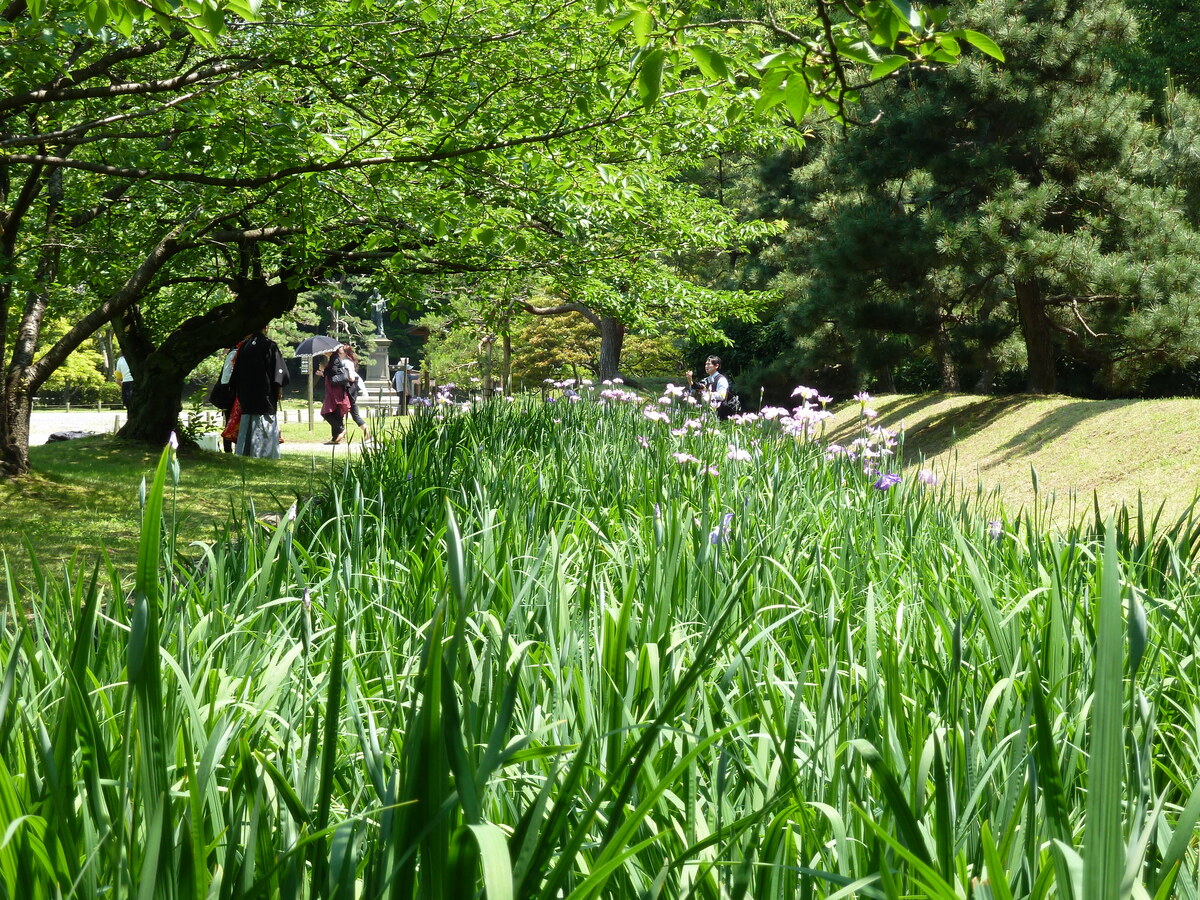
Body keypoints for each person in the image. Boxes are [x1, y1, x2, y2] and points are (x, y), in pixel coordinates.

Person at [229, 329, 290, 458]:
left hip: (246, 393)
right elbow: (278, 373)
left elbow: (236, 375)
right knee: (265, 420)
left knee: (248, 421)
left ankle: (245, 451)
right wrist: (278, 389)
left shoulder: (244, 346)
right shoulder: (269, 345)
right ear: (265, 328)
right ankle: (265, 453)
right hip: (265, 393)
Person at [318, 347, 352, 444]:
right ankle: (335, 437)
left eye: (325, 350)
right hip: (333, 389)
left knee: (326, 412)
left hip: (335, 390)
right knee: (335, 413)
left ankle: (341, 430)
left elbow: (333, 371)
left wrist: (323, 370)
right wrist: (323, 371)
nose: (324, 351)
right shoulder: (334, 358)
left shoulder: (335, 358)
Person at [337, 344, 371, 440]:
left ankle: (367, 433)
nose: (339, 352)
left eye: (341, 351)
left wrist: (342, 377)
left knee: (353, 412)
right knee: (342, 412)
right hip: (348, 389)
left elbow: (351, 377)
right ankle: (340, 433)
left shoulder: (347, 363)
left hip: (350, 389)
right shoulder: (343, 362)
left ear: (345, 353)